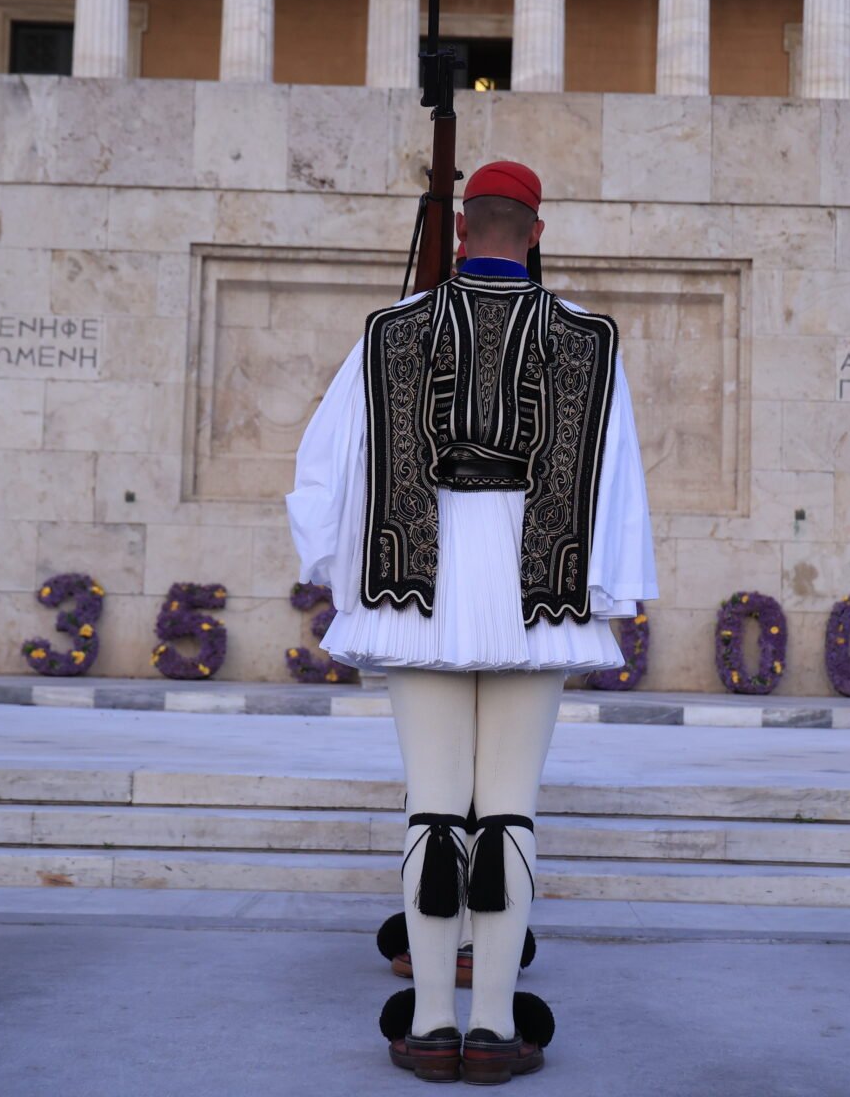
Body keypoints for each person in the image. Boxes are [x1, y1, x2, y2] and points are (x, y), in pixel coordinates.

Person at [289, 160, 657, 1083]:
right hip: (540, 595)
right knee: (508, 813)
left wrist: (335, 570)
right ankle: (492, 1027)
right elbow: (617, 481)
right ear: (537, 233)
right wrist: (609, 590)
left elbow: (327, 465)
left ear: (460, 230)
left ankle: (427, 1024)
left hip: (416, 590)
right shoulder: (588, 340)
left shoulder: (389, 332)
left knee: (432, 808)